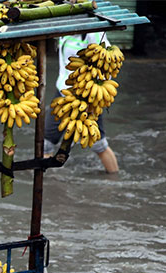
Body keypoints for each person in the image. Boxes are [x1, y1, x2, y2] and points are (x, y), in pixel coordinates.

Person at [44, 32, 119, 173]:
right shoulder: (65, 30)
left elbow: (107, 65)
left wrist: (93, 96)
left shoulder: (94, 34)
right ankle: (47, 182)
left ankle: (115, 178)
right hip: (63, 92)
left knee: (99, 145)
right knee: (45, 142)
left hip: (87, 97)